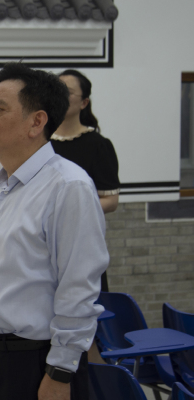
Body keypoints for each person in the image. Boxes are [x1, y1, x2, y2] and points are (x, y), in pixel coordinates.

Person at [0, 62, 109, 400]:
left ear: (36, 121)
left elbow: (78, 289)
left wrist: (60, 372)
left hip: (38, 364)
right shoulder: (2, 185)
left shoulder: (69, 187)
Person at [52, 70, 120, 284]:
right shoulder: (39, 142)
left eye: (68, 92)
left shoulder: (98, 145)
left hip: (81, 242)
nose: (61, 96)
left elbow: (110, 200)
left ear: (84, 103)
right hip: (43, 243)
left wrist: (68, 211)